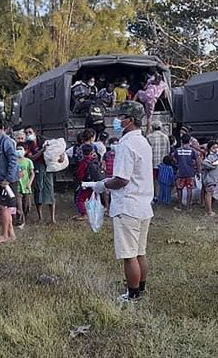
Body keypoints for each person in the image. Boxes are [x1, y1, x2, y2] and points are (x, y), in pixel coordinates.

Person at [93, 101, 153, 303]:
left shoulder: (126, 145)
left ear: (129, 120)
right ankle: (141, 288)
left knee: (129, 255)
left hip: (128, 206)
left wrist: (103, 185)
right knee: (140, 252)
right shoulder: (143, 142)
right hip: (144, 204)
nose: (116, 121)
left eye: (120, 117)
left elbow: (121, 179)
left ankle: (133, 294)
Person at [25, 125, 56, 223]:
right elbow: (32, 158)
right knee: (38, 191)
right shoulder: (28, 145)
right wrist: (42, 151)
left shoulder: (43, 141)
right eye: (26, 133)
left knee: (50, 190)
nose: (28, 135)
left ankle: (52, 218)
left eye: (30, 132)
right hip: (37, 168)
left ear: (35, 132)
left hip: (47, 167)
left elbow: (55, 148)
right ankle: (40, 217)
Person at [74, 144, 103, 220]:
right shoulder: (95, 160)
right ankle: (95, 212)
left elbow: (80, 174)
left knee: (80, 199)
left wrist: (80, 181)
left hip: (86, 183)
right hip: (95, 182)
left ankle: (83, 214)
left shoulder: (84, 162)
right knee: (93, 197)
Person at [173, 134, 200, 210]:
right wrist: (198, 171)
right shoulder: (192, 151)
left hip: (180, 173)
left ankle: (179, 206)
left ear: (181, 141)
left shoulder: (178, 150)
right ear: (189, 141)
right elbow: (198, 161)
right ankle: (188, 207)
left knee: (179, 189)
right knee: (189, 189)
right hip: (190, 173)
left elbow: (174, 159)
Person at [147, 120, 170, 202]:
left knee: (153, 180)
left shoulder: (149, 137)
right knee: (162, 180)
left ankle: (155, 196)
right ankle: (162, 196)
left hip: (152, 162)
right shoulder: (165, 137)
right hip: (163, 163)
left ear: (152, 127)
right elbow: (168, 150)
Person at [16, 144, 35, 229]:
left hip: (26, 187)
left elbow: (32, 173)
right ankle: (20, 221)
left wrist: (29, 183)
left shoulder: (28, 161)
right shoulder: (14, 161)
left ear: (25, 151)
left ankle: (25, 218)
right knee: (18, 206)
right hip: (17, 187)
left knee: (27, 205)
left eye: (21, 149)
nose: (19, 151)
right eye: (17, 149)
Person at [202, 141, 218, 216]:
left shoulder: (216, 156)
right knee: (209, 194)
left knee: (210, 193)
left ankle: (209, 210)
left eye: (217, 147)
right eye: (214, 148)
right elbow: (205, 164)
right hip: (210, 178)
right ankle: (209, 212)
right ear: (209, 148)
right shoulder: (210, 157)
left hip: (214, 178)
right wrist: (213, 166)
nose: (216, 149)